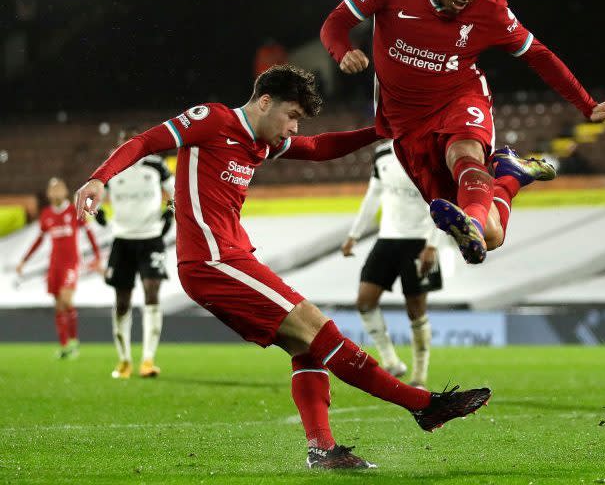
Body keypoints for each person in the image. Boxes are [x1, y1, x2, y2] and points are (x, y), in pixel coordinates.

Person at [75, 65, 490, 470]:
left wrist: (380, 132)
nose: (294, 128)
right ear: (265, 101)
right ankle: (423, 405)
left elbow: (318, 147)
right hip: (211, 260)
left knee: (305, 345)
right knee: (319, 328)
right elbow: (145, 142)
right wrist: (99, 178)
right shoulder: (212, 119)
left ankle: (323, 451)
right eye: (291, 116)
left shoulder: (262, 142)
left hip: (230, 258)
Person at [320, 0, 605, 265]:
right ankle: (511, 177)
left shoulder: (491, 8)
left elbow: (537, 54)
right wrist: (343, 52)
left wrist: (586, 105)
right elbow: (334, 25)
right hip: (406, 122)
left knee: (466, 156)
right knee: (492, 235)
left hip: (461, 98)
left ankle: (469, 219)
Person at [343, 140, 444, 389]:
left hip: (420, 242)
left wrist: (433, 244)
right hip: (387, 239)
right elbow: (372, 195)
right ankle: (390, 361)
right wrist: (354, 234)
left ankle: (420, 376)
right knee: (364, 301)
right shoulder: (382, 154)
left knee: (416, 310)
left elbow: (442, 201)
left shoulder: (430, 152)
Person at [96, 129, 175, 379]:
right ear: (118, 145)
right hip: (122, 240)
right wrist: (98, 213)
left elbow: (176, 192)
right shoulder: (112, 168)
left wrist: (170, 212)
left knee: (152, 292)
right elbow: (98, 196)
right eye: (123, 142)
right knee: (122, 301)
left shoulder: (156, 165)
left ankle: (148, 360)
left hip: (151, 238)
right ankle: (124, 361)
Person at [16, 177, 102, 358]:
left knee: (66, 299)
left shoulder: (74, 210)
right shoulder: (46, 214)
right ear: (48, 194)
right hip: (54, 264)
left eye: (59, 188)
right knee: (58, 305)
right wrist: (24, 260)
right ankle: (64, 346)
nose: (55, 192)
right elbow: (39, 240)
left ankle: (74, 342)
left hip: (71, 262)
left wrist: (97, 257)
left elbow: (90, 233)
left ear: (65, 192)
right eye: (52, 189)